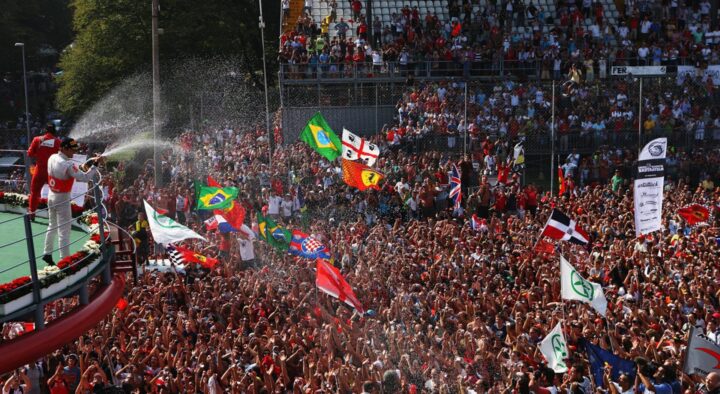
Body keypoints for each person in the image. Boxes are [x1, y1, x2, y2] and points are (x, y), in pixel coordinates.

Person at [42, 138, 101, 265]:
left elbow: (75, 171)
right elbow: (84, 178)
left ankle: (47, 253)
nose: (73, 153)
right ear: (64, 148)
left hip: (51, 195)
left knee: (52, 225)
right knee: (64, 230)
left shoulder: (52, 157)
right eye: (71, 150)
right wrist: (95, 166)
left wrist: (87, 164)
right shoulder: (68, 165)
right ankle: (65, 261)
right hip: (62, 198)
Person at [26, 123, 60, 220]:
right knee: (55, 193)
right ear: (54, 131)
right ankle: (55, 215)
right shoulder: (58, 142)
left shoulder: (37, 139)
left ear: (45, 130)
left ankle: (31, 213)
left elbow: (29, 153)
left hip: (39, 170)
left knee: (34, 192)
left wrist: (39, 153)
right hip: (52, 171)